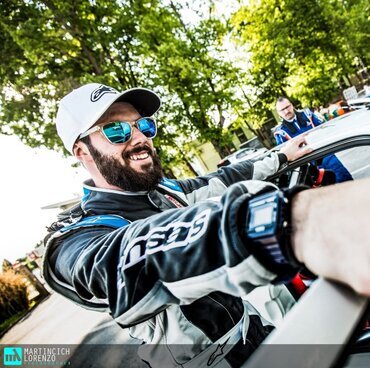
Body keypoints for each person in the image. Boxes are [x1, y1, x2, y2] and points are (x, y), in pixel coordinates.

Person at [42, 83, 367, 368]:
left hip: (258, 333)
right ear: (82, 150)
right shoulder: (78, 238)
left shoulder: (165, 191)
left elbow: (221, 179)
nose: (140, 138)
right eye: (116, 131)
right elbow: (121, 263)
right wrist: (291, 223)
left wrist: (280, 156)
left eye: (144, 126)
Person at [274, 96, 353, 183]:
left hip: (326, 154)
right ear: (279, 113)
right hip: (309, 167)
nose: (286, 111)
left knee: (346, 180)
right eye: (282, 110)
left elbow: (323, 129)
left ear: (292, 105)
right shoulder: (280, 133)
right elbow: (286, 158)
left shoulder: (308, 115)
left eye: (287, 107)